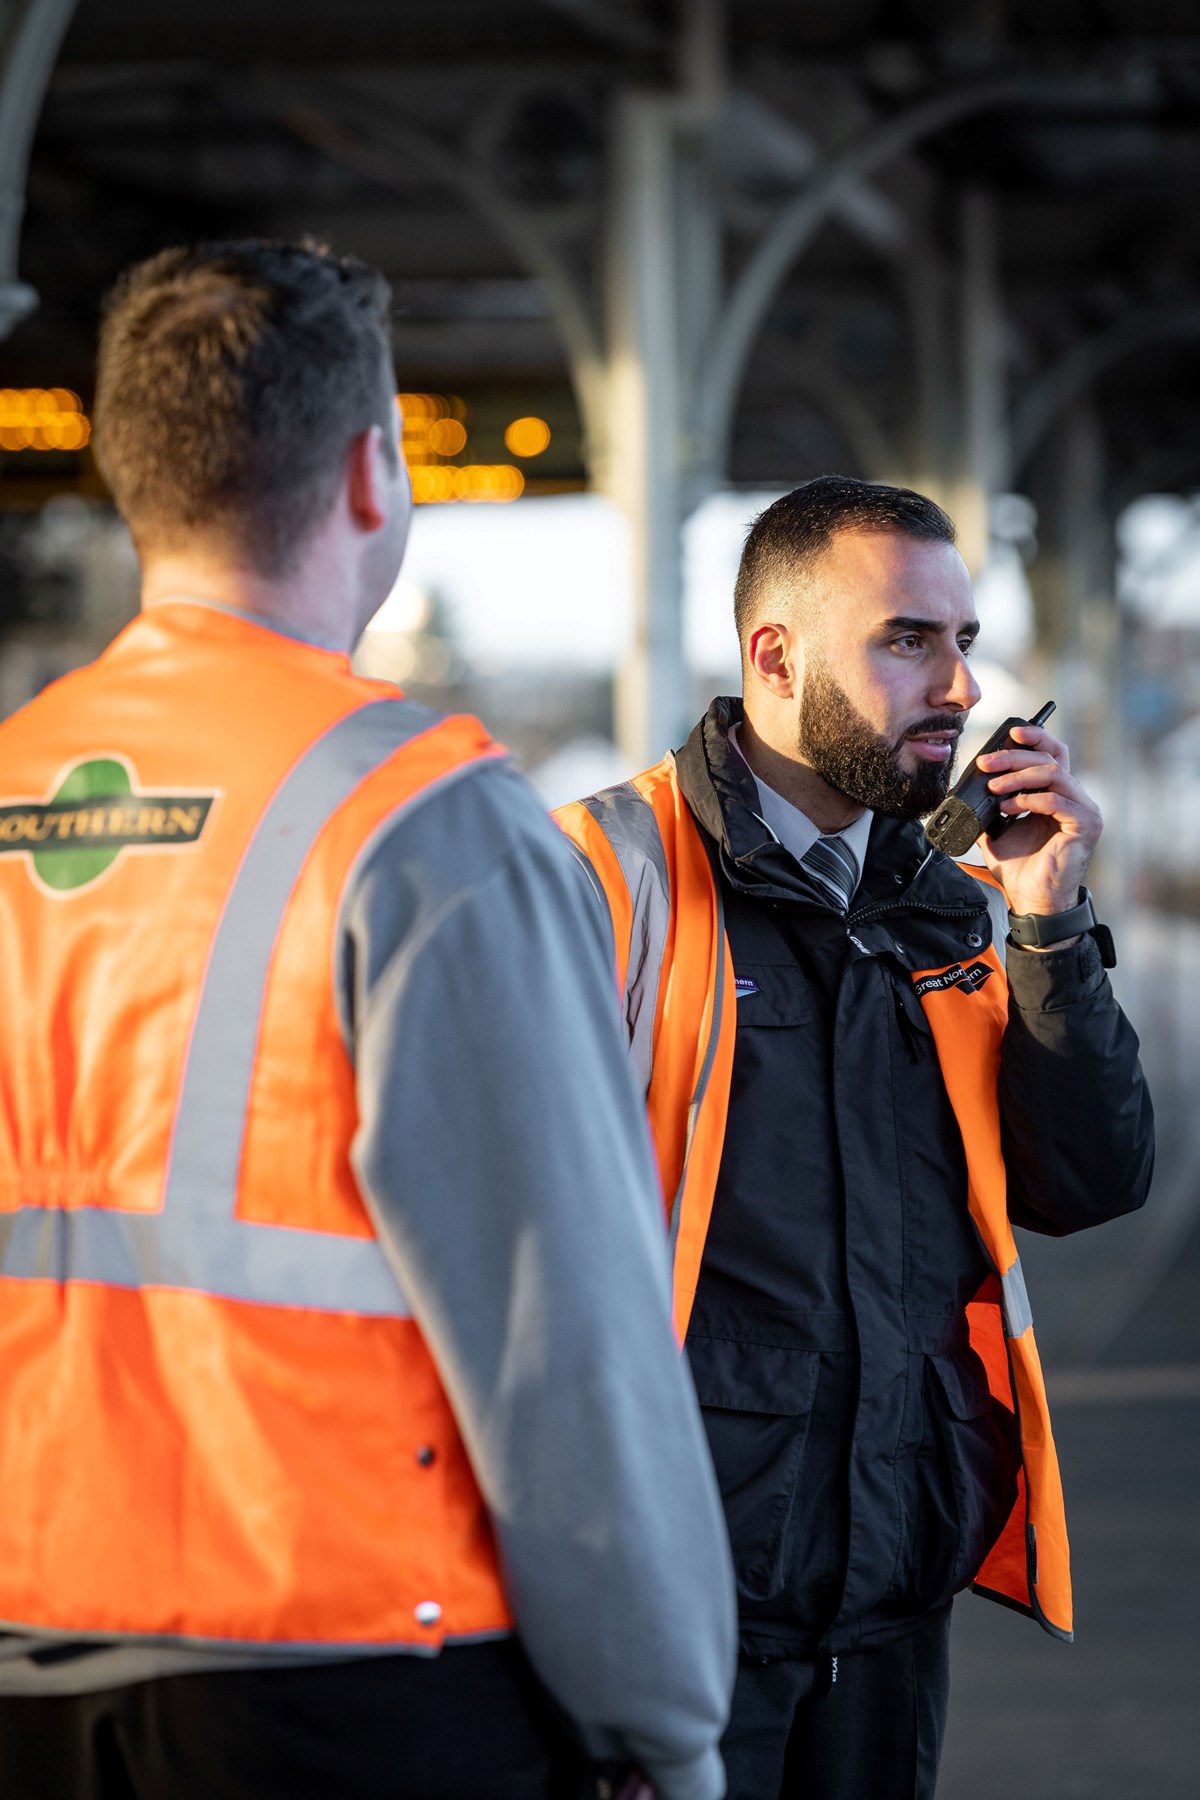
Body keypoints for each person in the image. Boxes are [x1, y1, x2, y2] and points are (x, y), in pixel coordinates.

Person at [0, 241, 736, 1800]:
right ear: (370, 473)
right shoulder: (428, 825)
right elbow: (565, 1340)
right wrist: (661, 1715)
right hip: (347, 1680)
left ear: (134, 481)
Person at [556, 476, 1154, 1800]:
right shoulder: (597, 882)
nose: (956, 685)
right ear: (773, 654)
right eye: (907, 640)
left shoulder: (944, 904)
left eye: (963, 643)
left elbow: (1089, 1181)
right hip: (678, 1614)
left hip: (889, 1599)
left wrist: (1049, 924)